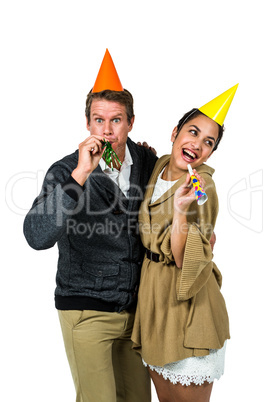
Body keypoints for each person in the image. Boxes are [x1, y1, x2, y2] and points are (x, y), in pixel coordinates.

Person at [23, 50, 157, 402]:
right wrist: (80, 175)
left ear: (130, 122)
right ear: (87, 123)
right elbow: (36, 236)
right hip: (86, 310)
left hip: (136, 313)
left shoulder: (146, 161)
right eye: (99, 120)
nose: (108, 130)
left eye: (116, 120)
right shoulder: (66, 170)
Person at [132, 85, 238, 402]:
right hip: (154, 301)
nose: (198, 144)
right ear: (175, 132)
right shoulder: (158, 164)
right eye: (193, 132)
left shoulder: (200, 186)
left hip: (187, 305)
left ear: (211, 153)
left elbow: (187, 259)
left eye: (209, 142)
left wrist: (180, 212)